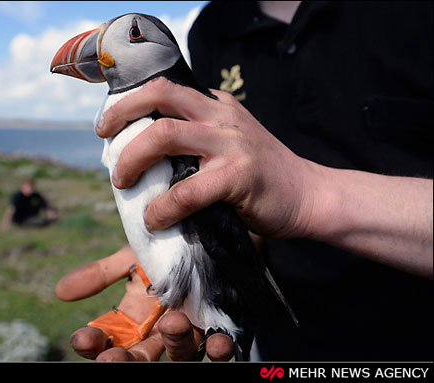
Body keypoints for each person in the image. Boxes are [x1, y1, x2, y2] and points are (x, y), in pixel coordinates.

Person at [56, 1, 433, 361]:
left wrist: (306, 195)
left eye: (134, 33)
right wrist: (166, 264)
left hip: (411, 331)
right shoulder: (213, 28)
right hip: (279, 341)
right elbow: (228, 191)